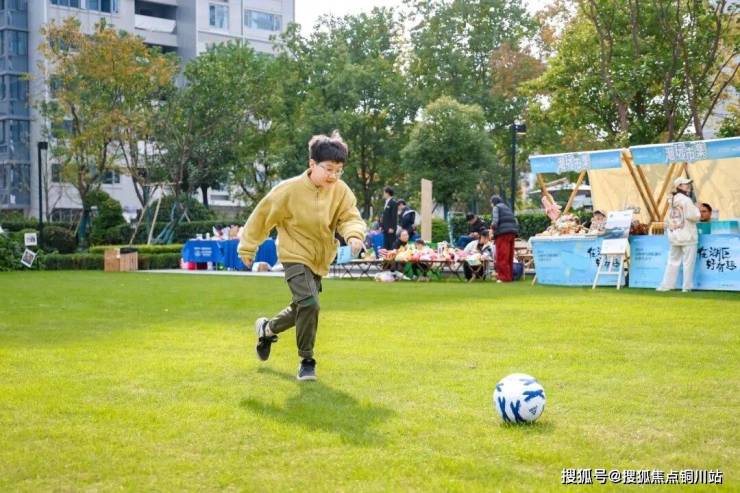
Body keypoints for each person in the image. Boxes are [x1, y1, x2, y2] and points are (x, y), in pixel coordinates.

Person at [238, 131, 365, 380]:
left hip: (320, 259)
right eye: (328, 169)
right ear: (312, 164)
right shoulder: (288, 190)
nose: (333, 176)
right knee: (310, 303)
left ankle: (267, 329)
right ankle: (307, 360)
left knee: (302, 306)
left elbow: (349, 216)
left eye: (339, 171)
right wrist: (247, 247)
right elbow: (261, 217)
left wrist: (354, 235)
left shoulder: (340, 191)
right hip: (293, 254)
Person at [657, 177, 701, 293]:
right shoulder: (686, 200)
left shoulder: (672, 200)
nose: (688, 186)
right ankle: (686, 287)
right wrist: (697, 209)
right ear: (679, 186)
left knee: (672, 261)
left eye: (688, 184)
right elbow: (693, 216)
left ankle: (667, 285)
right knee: (688, 263)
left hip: (675, 235)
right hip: (687, 235)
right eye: (685, 184)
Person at [490, 195, 519, 283]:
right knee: (509, 256)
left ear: (493, 202)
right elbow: (516, 221)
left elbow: (495, 221)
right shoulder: (507, 208)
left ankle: (503, 278)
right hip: (512, 233)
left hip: (502, 234)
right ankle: (509, 277)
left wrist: (491, 229)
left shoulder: (496, 207)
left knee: (502, 256)